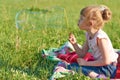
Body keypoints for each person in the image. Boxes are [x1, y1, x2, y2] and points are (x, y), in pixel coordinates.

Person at [68, 5, 118, 79]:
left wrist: (86, 63)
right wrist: (74, 44)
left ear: (90, 23)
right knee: (73, 65)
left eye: (81, 19)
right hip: (100, 65)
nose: (78, 20)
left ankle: (99, 77)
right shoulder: (89, 34)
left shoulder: (100, 38)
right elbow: (82, 54)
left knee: (74, 67)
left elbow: (106, 61)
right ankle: (94, 74)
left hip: (108, 69)